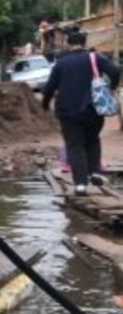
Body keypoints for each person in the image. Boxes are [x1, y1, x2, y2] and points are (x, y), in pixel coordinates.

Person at [42, 29, 120, 195]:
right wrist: (111, 88)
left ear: (68, 44)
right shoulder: (95, 57)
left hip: (68, 112)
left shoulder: (61, 63)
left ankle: (80, 185)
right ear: (84, 43)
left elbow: (49, 88)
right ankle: (94, 173)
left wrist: (45, 104)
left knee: (75, 146)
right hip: (93, 109)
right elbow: (114, 71)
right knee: (92, 140)